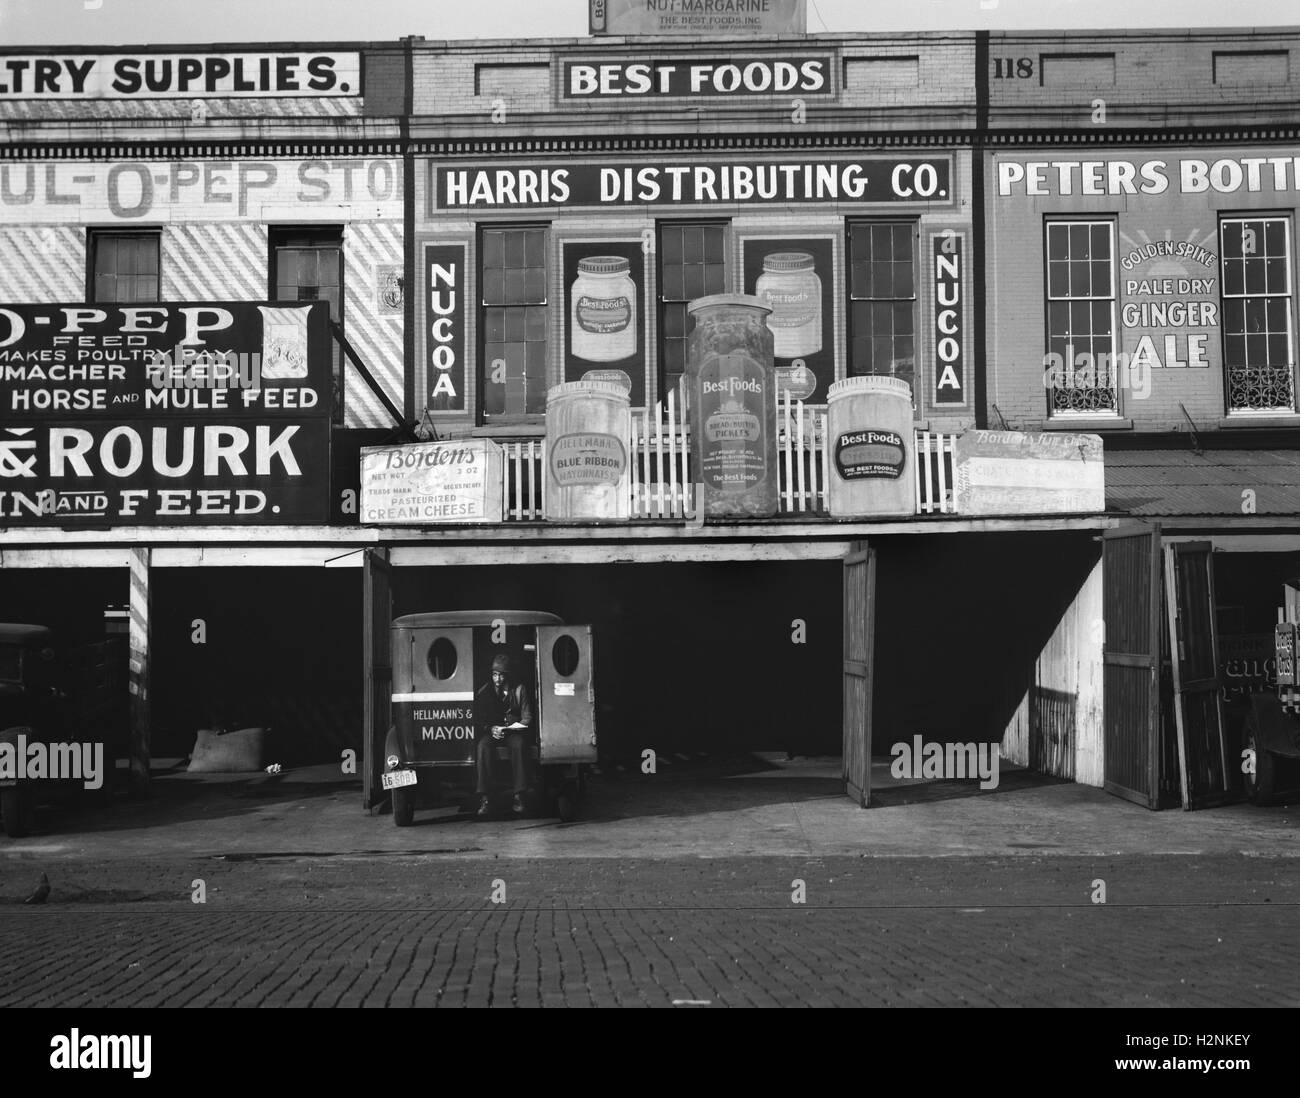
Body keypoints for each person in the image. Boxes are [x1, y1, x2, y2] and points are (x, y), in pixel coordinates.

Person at [473, 654, 535, 817]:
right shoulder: (485, 691)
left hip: (513, 732)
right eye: (494, 674)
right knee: (483, 746)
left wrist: (512, 728)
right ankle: (485, 798)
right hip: (493, 732)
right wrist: (491, 729)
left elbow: (527, 717)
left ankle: (519, 795)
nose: (497, 679)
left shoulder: (520, 690)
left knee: (519, 745)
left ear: (507, 675)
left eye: (501, 675)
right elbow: (479, 720)